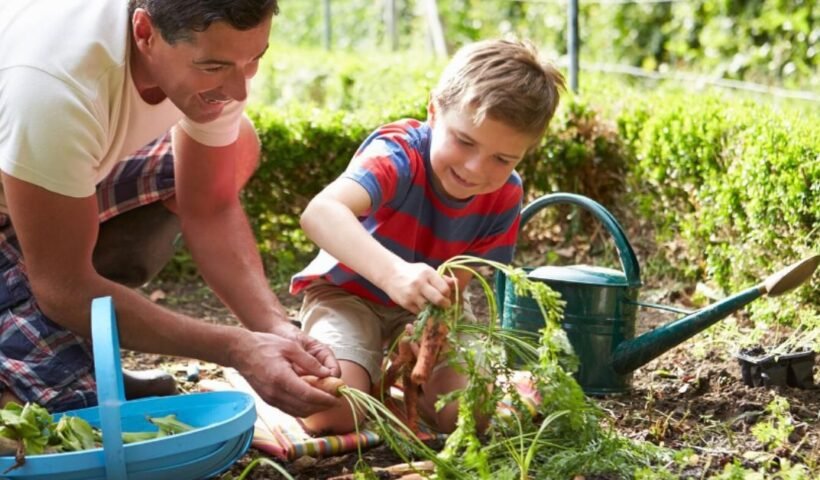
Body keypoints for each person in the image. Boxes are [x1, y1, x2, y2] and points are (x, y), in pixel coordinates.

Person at [0, 0, 340, 416]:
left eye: (255, 58)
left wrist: (276, 330)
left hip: (42, 173)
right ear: (144, 33)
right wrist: (237, 348)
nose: (239, 89)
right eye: (214, 67)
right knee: (61, 414)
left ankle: (79, 330)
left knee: (237, 145)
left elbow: (210, 207)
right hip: (22, 188)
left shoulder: (215, 53)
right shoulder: (54, 86)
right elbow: (63, 286)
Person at [290, 39, 565, 434]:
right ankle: (356, 371)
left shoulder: (506, 196)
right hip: (347, 294)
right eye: (465, 141)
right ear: (433, 111)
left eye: (502, 159)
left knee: (467, 416)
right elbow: (320, 213)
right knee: (330, 413)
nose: (474, 168)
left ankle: (397, 382)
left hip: (429, 309)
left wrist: (426, 328)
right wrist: (392, 275)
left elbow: (458, 285)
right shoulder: (398, 154)